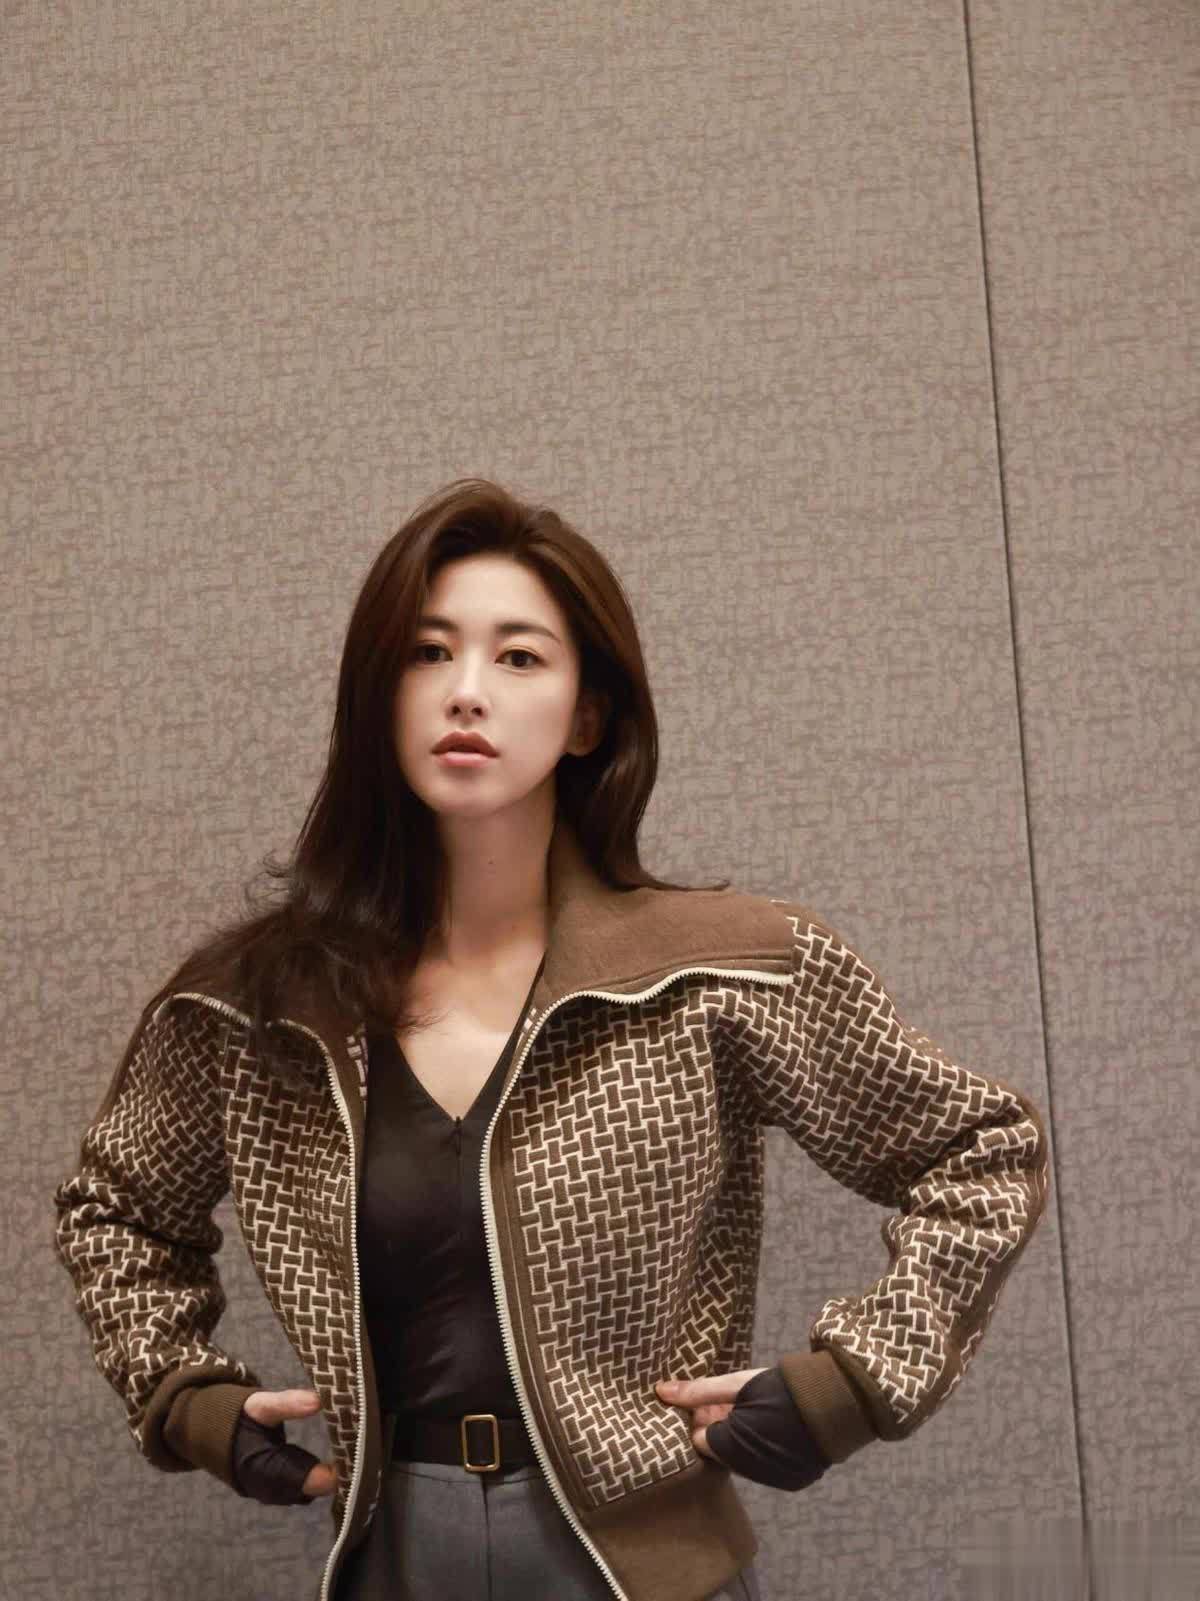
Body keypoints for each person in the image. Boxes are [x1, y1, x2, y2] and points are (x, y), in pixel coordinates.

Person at [53, 478, 1051, 1601]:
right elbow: (116, 1210)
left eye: (519, 656)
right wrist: (184, 1396)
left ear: (587, 715)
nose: (466, 690)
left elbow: (983, 1151)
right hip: (390, 1558)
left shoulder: (722, 970)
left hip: (649, 1568)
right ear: (379, 695)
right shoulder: (260, 1010)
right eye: (427, 652)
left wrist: (854, 1384)